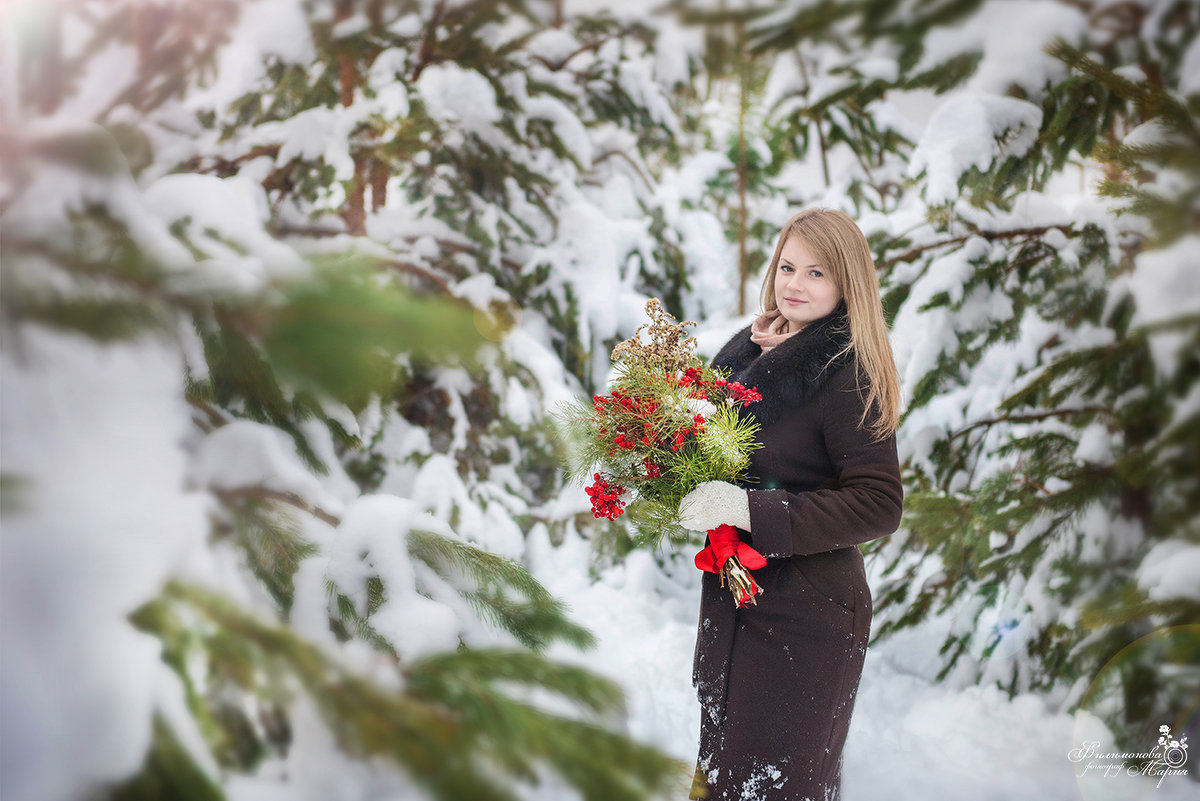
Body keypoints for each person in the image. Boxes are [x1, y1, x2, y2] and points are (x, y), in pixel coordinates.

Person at [677, 208, 904, 801]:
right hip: (736, 606)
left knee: (775, 788)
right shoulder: (755, 352)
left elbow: (880, 503)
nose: (794, 284)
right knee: (723, 782)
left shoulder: (844, 370)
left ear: (847, 284)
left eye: (816, 273)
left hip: (807, 618)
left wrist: (752, 511)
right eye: (787, 267)